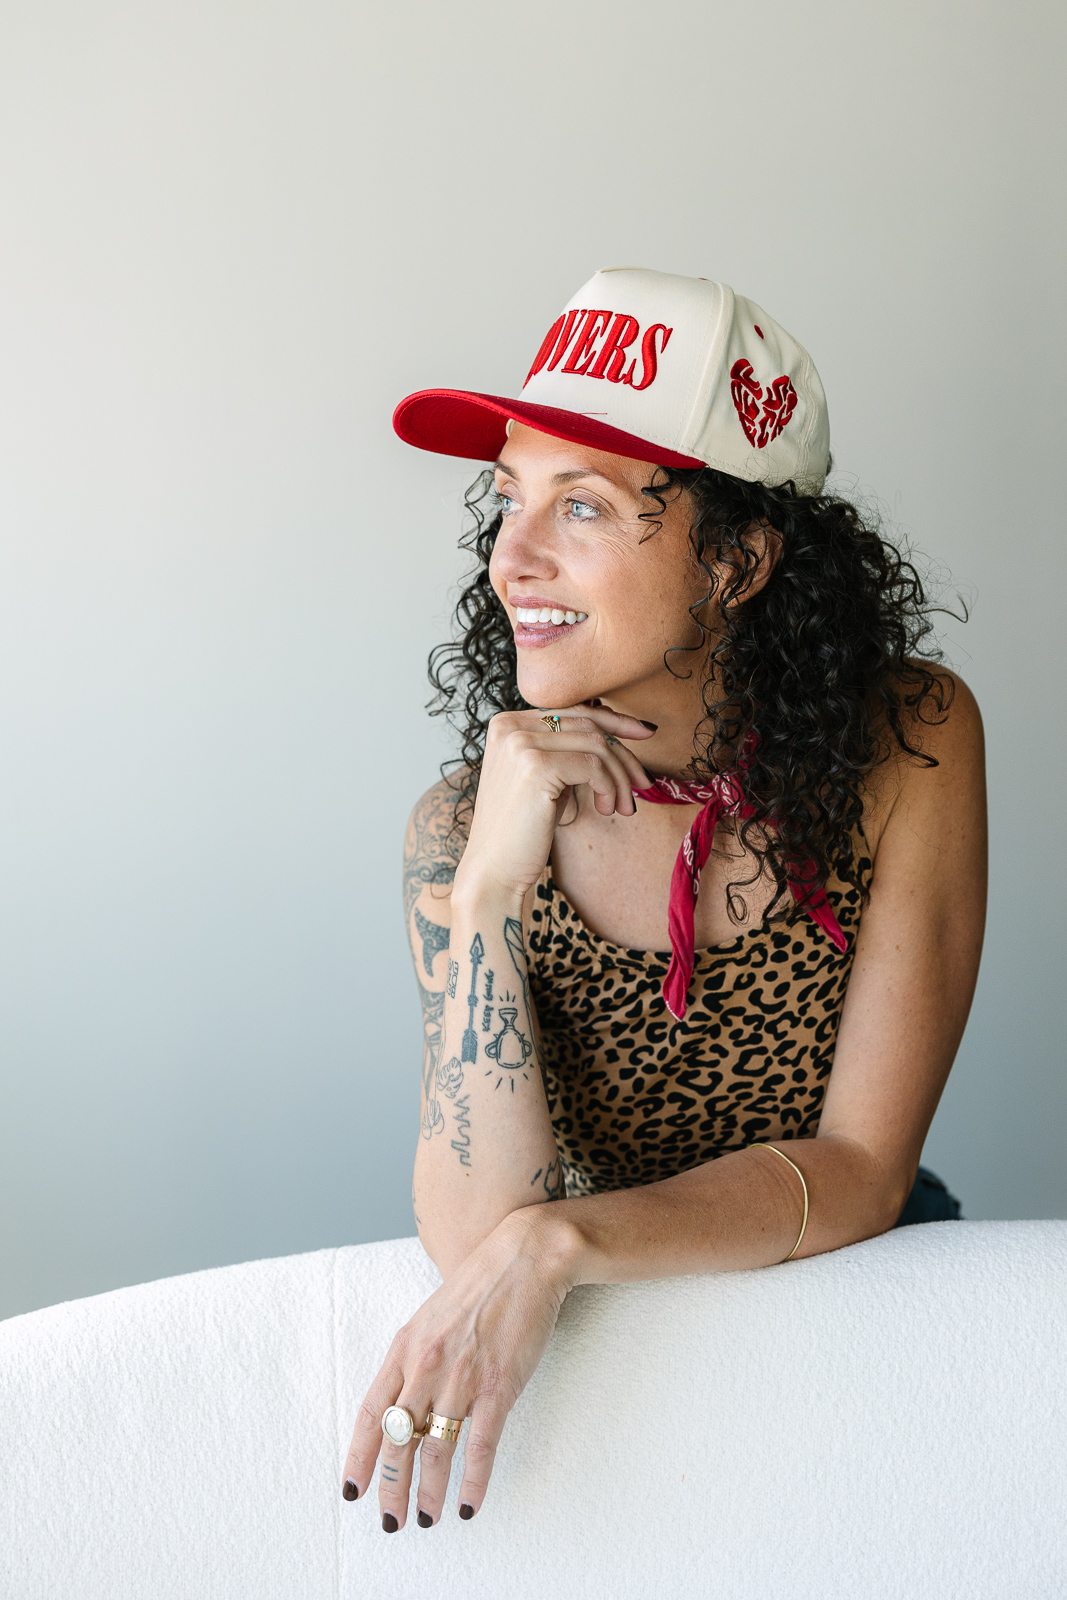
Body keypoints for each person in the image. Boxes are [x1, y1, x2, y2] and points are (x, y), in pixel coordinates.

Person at [341, 268, 986, 1531]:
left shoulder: (911, 739)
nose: (506, 558)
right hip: (594, 1343)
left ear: (740, 557)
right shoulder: (459, 833)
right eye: (505, 498)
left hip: (846, 1298)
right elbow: (478, 1235)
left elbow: (862, 1167)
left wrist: (559, 1241)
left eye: (577, 505)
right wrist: (482, 899)